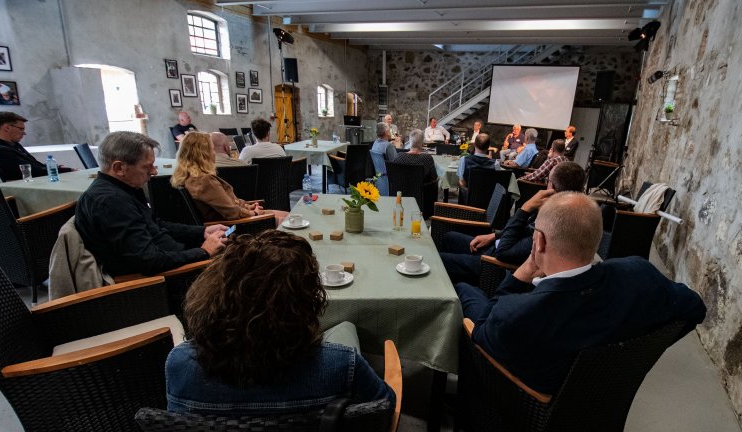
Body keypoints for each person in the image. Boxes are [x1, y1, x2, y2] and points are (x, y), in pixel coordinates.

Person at [457, 192, 706, 394]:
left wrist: (522, 273)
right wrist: (643, 351)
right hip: (601, 401)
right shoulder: (640, 273)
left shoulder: (516, 314)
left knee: (463, 289)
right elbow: (695, 307)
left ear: (539, 241)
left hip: (526, 403)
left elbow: (482, 330)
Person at [167, 230, 395, 415]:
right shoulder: (342, 364)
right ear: (306, 301)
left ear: (213, 293)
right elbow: (385, 406)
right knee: (345, 330)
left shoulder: (180, 365)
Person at [75, 131, 227, 277]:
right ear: (119, 168)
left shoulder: (125, 190)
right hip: (161, 282)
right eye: (147, 166)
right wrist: (203, 252)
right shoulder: (111, 202)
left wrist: (201, 232)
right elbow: (149, 262)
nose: (154, 172)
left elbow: (156, 225)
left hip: (174, 262)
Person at [441, 162, 585, 286]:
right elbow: (520, 231)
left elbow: (503, 253)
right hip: (498, 245)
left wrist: (525, 208)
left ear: (551, 186)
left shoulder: (555, 222)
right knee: (449, 237)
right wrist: (494, 235)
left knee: (439, 260)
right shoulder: (551, 205)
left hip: (494, 266)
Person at [171, 133, 286, 224]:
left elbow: (226, 204)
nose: (214, 154)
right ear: (203, 154)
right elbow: (232, 212)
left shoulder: (189, 177)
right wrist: (254, 213)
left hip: (234, 219)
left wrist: (246, 206)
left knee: (288, 216)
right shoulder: (204, 181)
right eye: (212, 149)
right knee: (291, 219)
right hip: (238, 225)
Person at [0, 111, 72, 181]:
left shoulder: (13, 144)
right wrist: (67, 170)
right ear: (7, 128)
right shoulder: (1, 151)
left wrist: (56, 167)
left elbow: (35, 165)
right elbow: (32, 172)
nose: (24, 133)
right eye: (21, 129)